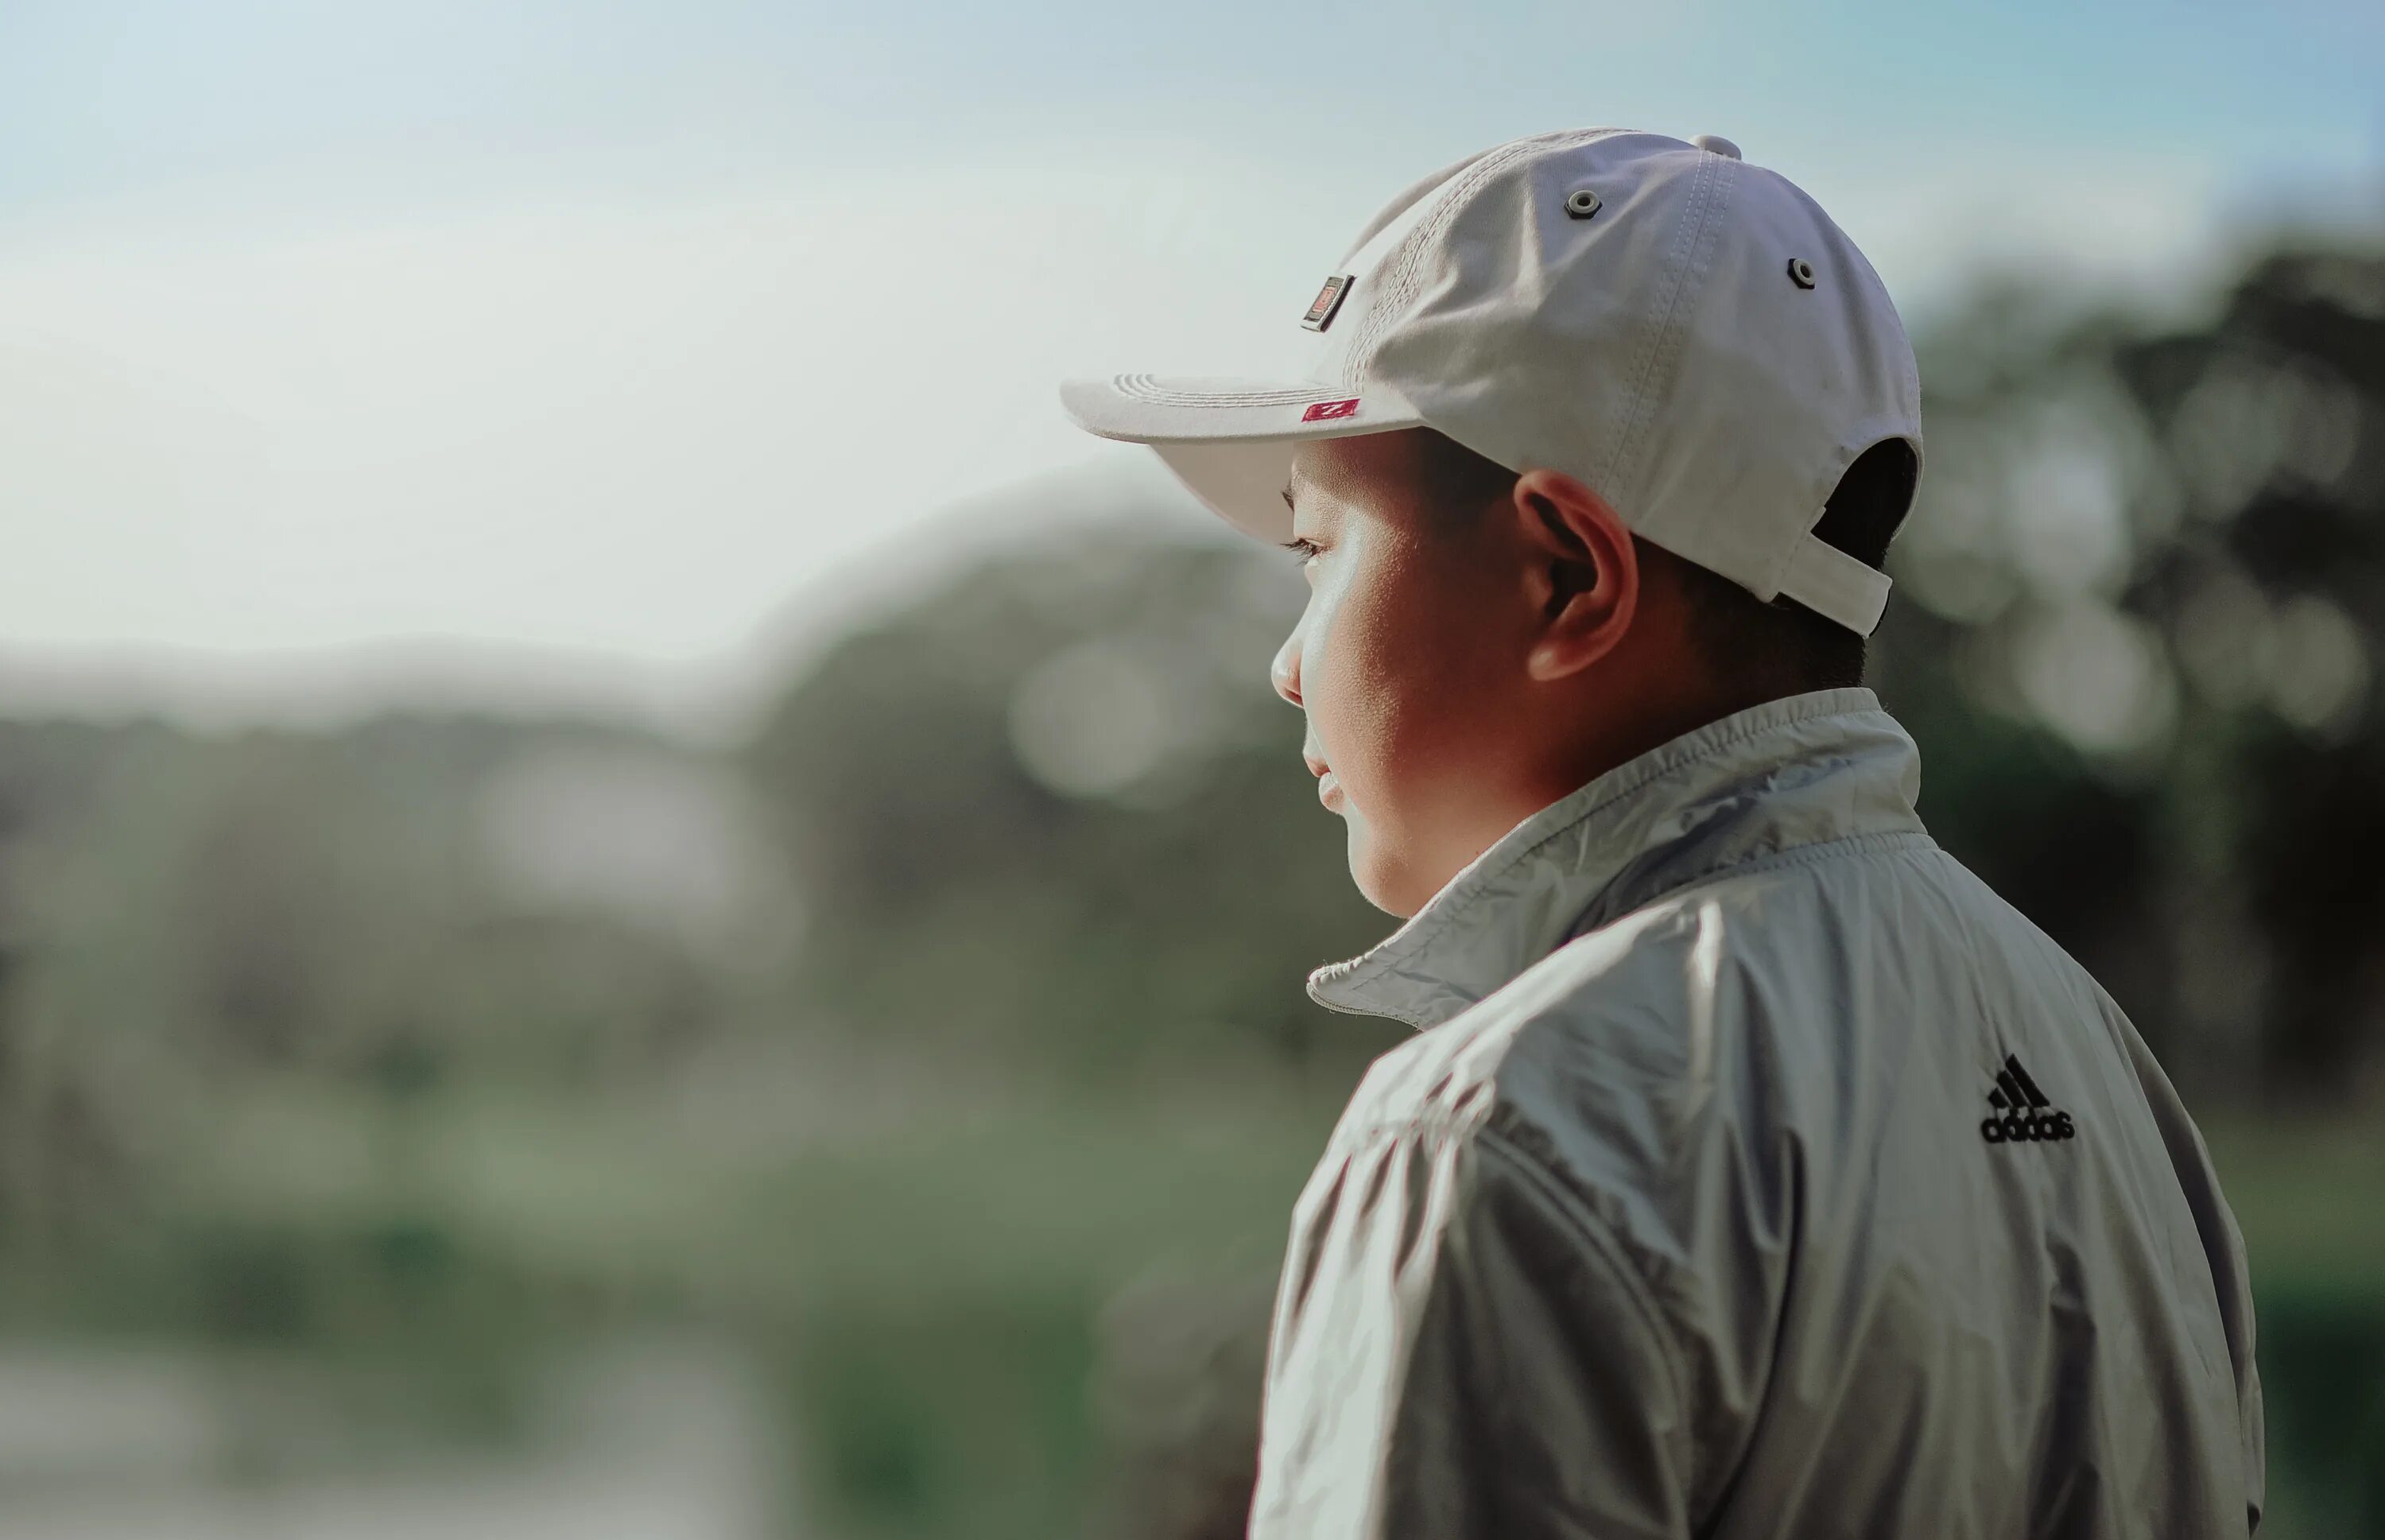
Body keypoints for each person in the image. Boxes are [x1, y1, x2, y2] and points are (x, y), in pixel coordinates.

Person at [1058, 127, 2263, 1538]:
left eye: (1319, 554)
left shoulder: (1497, 1132)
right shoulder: (2101, 1061)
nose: (1287, 663)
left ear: (1569, 575)